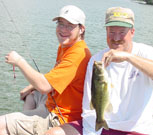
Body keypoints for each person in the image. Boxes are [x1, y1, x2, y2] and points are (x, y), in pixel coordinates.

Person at [44, 7, 153, 135]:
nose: (116, 38)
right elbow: (89, 109)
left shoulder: (146, 53)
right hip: (101, 126)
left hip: (137, 130)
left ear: (132, 32)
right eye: (111, 32)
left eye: (122, 32)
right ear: (106, 31)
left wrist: (129, 57)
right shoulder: (97, 60)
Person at [0, 5, 91, 135]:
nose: (63, 29)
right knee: (31, 94)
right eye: (60, 24)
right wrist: (32, 86)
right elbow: (55, 76)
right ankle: (25, 122)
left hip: (59, 116)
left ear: (81, 29)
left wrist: (19, 61)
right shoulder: (67, 45)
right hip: (53, 102)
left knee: (1, 125)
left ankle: (23, 124)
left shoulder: (78, 54)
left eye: (69, 26)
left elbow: (44, 86)